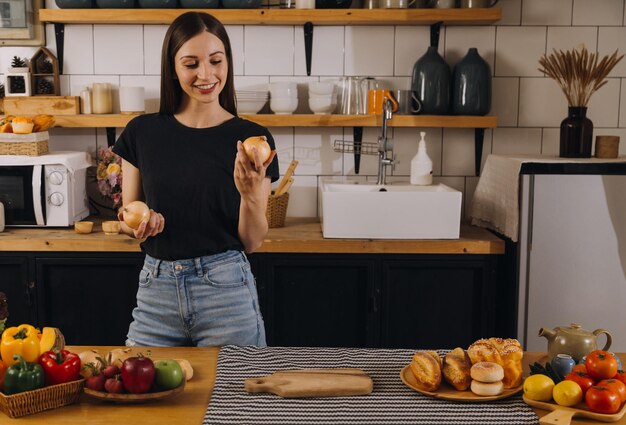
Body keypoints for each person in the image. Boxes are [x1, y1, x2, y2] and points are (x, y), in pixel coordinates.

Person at [112, 11, 279, 348]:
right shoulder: (142, 132)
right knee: (136, 391)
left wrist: (249, 197)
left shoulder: (253, 140)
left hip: (227, 292)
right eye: (191, 64)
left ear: (227, 63)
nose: (206, 74)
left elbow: (252, 241)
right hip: (156, 293)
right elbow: (127, 216)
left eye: (216, 61)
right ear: (173, 69)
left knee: (233, 397)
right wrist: (140, 224)